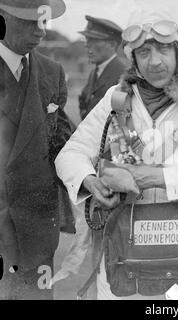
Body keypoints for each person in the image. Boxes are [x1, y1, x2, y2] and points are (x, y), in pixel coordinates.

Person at [55, 7, 178, 300]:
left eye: (162, 49)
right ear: (132, 58)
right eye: (144, 52)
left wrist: (155, 177)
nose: (155, 61)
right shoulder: (116, 99)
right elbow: (70, 154)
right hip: (125, 264)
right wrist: (90, 180)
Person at [0, 0, 72, 299]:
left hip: (36, 229)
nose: (40, 31)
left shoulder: (51, 71)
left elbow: (64, 143)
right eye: (29, 21)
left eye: (43, 22)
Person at [78, 15, 126, 120]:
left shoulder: (123, 75)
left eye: (93, 40)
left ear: (112, 45)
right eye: (86, 39)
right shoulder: (95, 72)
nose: (87, 45)